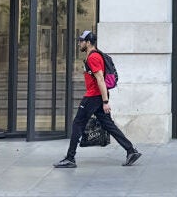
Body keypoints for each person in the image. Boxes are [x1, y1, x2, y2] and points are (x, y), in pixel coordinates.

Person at [54, 30, 141, 168]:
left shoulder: (93, 57)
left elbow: (100, 79)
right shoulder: (95, 55)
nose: (79, 43)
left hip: (94, 97)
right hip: (98, 96)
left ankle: (70, 158)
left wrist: (105, 102)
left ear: (88, 43)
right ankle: (131, 151)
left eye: (81, 41)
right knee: (108, 125)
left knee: (77, 124)